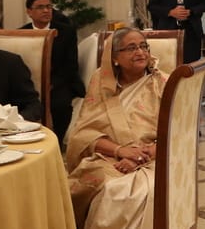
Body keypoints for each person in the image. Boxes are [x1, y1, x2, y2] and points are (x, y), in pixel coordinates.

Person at [66, 28, 165, 229]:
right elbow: (83, 133)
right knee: (101, 185)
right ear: (115, 58)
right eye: (131, 48)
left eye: (143, 46)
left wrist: (139, 157)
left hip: (155, 156)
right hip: (108, 156)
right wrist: (120, 151)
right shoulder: (101, 82)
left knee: (129, 191)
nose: (140, 52)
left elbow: (178, 133)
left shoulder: (163, 83)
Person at [21, 0, 86, 143]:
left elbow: (70, 65)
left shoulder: (66, 31)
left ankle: (56, 140)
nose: (46, 10)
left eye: (49, 6)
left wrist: (50, 84)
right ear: (29, 12)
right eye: (40, 7)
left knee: (60, 104)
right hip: (30, 83)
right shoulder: (22, 33)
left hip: (59, 81)